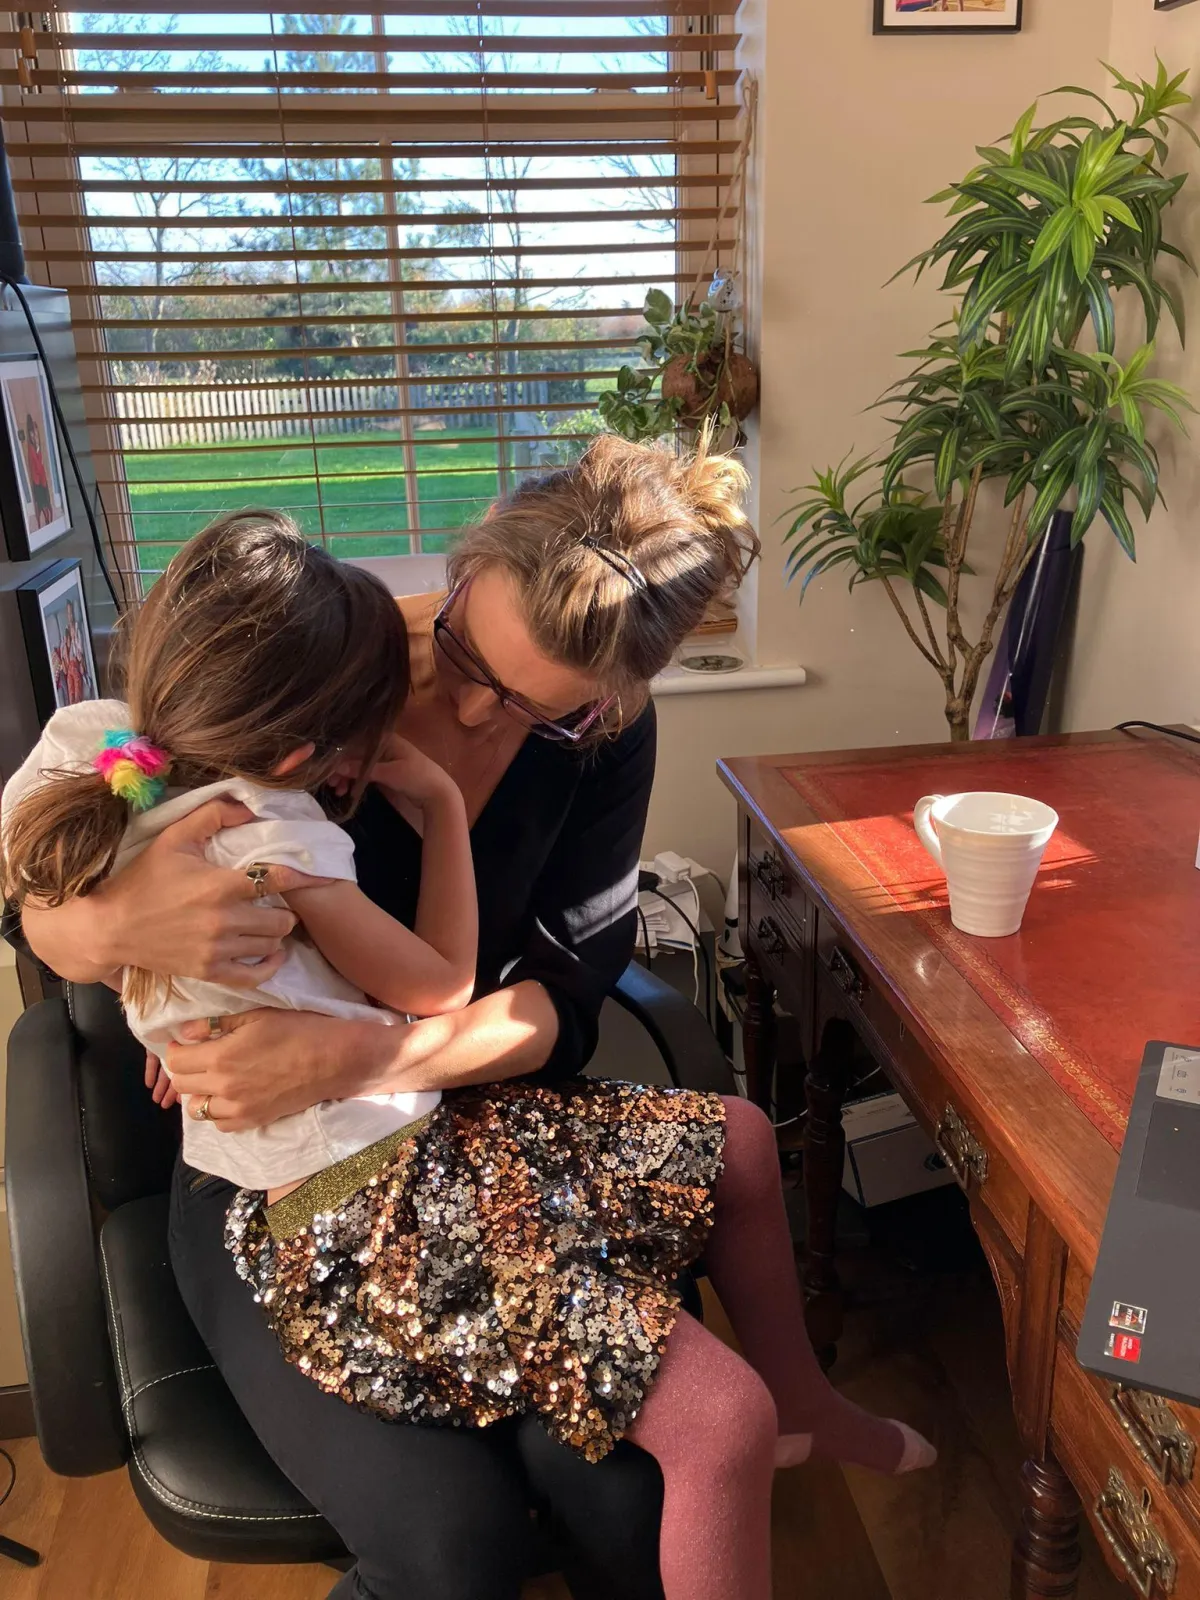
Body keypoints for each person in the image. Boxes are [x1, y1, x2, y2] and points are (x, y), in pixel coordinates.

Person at [13, 437, 934, 1600]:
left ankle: (802, 1403)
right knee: (459, 1551)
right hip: (280, 1180)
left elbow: (566, 997)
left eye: (529, 707)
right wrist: (114, 938)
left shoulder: (600, 742)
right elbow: (69, 859)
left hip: (459, 1118)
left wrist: (359, 1050)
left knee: (630, 1485)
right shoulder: (316, 670)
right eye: (461, 649)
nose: (464, 704)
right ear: (457, 576)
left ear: (605, 704)